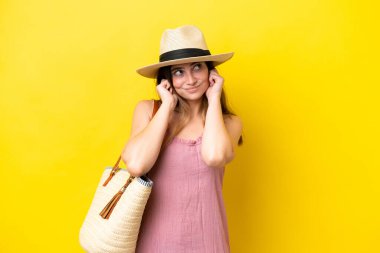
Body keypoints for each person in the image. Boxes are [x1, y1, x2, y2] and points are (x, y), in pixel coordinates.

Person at [121, 25, 243, 253]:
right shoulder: (149, 111)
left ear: (211, 72)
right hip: (154, 244)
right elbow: (137, 165)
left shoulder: (229, 123)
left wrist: (214, 99)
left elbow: (215, 156)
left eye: (197, 67)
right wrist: (166, 106)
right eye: (178, 72)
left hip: (209, 243)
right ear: (167, 78)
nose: (190, 79)